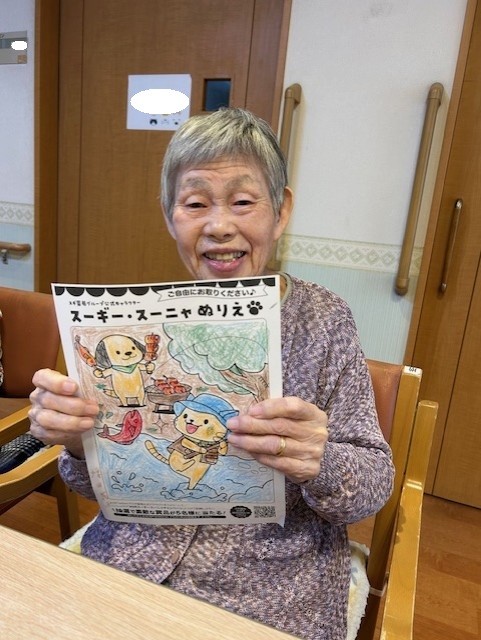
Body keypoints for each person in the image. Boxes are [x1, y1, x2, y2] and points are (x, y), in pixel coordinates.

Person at [29, 108, 394, 640]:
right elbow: (95, 486)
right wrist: (79, 444)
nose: (219, 226)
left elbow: (372, 483)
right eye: (195, 203)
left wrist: (320, 460)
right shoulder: (138, 325)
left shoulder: (324, 320)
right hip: (130, 565)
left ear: (280, 211)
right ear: (169, 216)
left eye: (243, 202)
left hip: (269, 589)